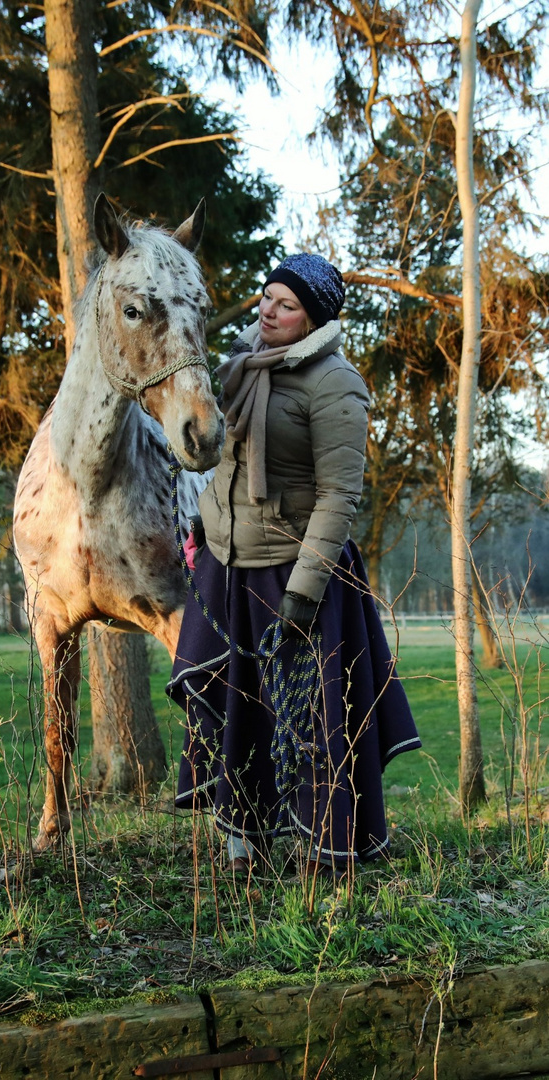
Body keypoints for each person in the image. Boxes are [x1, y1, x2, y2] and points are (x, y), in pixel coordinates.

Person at [167, 253, 421, 880]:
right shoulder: (235, 366)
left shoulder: (334, 382)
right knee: (239, 709)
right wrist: (202, 529)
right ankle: (244, 844)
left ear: (315, 318)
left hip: (294, 573)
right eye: (266, 296)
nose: (268, 310)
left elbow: (339, 496)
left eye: (286, 304)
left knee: (309, 721)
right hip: (228, 569)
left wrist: (304, 592)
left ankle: (321, 854)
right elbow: (218, 464)